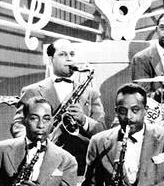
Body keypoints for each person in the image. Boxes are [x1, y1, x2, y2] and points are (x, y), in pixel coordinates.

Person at [13, 38, 105, 168]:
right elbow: (18, 125)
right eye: (62, 54)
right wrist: (32, 145)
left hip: (81, 163)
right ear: (51, 59)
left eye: (72, 54)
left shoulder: (91, 93)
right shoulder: (31, 91)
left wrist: (84, 120)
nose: (69, 59)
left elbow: (103, 131)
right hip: (43, 161)